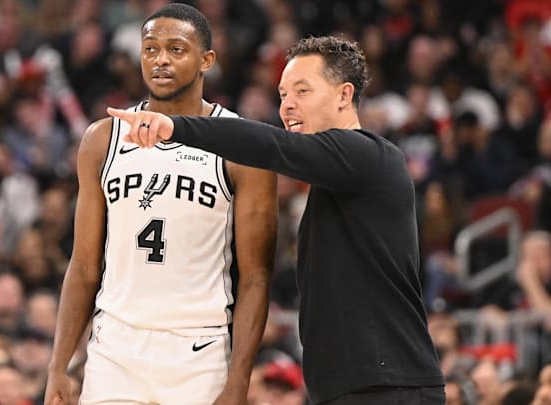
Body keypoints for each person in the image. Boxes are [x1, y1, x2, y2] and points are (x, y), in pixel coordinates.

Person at [109, 34, 445, 404]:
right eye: (283, 95)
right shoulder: (336, 178)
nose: (287, 106)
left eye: (302, 91)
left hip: (388, 386)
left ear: (344, 95)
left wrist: (177, 127)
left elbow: (271, 146)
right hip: (352, 388)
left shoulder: (369, 156)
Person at [45, 4, 277, 405]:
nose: (161, 60)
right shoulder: (103, 139)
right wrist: (58, 366)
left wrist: (239, 379)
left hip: (199, 351)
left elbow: (256, 276)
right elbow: (83, 265)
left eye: (176, 49)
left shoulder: (240, 144)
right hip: (115, 348)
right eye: (150, 49)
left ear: (207, 60)